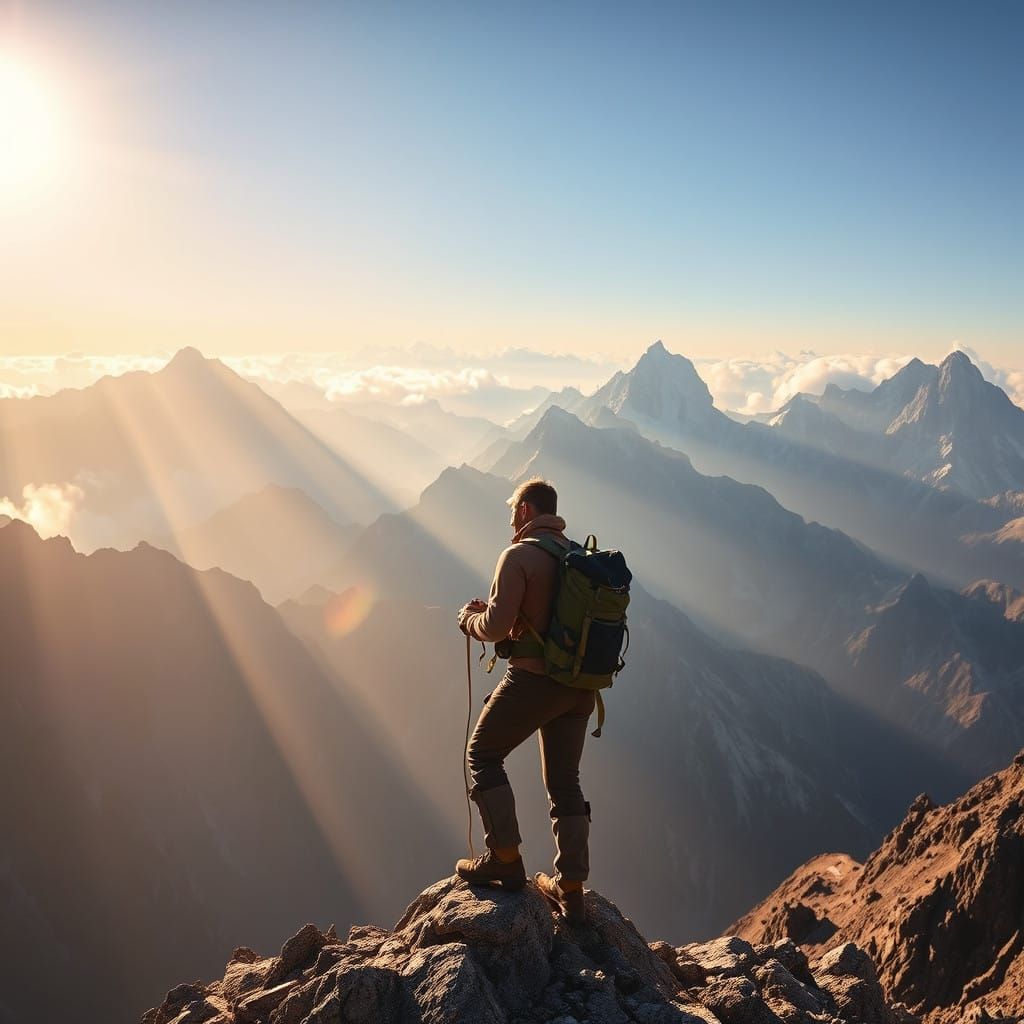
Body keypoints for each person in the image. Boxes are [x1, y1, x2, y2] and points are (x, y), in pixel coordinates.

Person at [456, 477, 594, 924]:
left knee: (483, 753)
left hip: (534, 682)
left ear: (526, 512)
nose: (512, 518)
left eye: (514, 510)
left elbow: (496, 628)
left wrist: (469, 620)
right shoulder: (577, 557)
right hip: (580, 687)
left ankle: (505, 859)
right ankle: (571, 890)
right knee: (565, 782)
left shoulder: (517, 555)